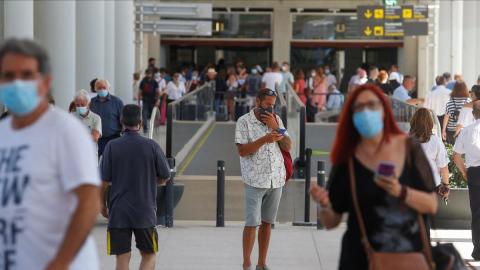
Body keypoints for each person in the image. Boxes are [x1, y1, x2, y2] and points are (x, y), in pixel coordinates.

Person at [310, 84, 437, 270]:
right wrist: (324, 203)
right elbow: (331, 221)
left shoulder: (409, 149)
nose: (366, 112)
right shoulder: (348, 160)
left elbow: (432, 204)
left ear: (384, 110)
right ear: (352, 116)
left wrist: (399, 191)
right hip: (359, 260)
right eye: (359, 108)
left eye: (372, 104)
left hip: (408, 259)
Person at [0, 38, 100, 269]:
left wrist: (60, 263)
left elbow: (88, 202)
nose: (16, 83)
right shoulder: (3, 133)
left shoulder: (65, 131)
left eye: (26, 75)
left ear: (45, 82)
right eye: (8, 76)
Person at [100, 104, 170, 270]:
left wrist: (102, 205)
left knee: (122, 258)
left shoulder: (111, 146)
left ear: (121, 121)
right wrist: (153, 180)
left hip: (118, 211)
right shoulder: (152, 146)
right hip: (144, 211)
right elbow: (165, 176)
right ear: (140, 122)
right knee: (149, 254)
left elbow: (103, 180)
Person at [236, 88, 292, 270]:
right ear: (258, 102)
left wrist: (276, 127)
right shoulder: (244, 122)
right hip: (255, 180)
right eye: (267, 104)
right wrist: (265, 139)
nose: (270, 108)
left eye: (273, 105)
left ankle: (262, 263)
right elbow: (243, 151)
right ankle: (246, 263)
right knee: (252, 222)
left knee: (267, 222)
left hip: (275, 179)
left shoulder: (277, 120)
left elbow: (289, 145)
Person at [453, 100, 480, 260]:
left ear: (473, 114)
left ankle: (478, 250)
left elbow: (456, 155)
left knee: (477, 213)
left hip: (475, 174)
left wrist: (465, 172)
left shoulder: (466, 131)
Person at [410, 108, 450, 199]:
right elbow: (444, 167)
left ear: (413, 121)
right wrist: (446, 186)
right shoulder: (436, 141)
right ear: (430, 122)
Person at [90, 79, 124, 157]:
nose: (102, 90)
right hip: (96, 139)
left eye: (104, 87)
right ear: (95, 89)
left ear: (108, 88)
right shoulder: (91, 102)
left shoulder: (117, 102)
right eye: (99, 88)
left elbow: (123, 120)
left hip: (113, 138)